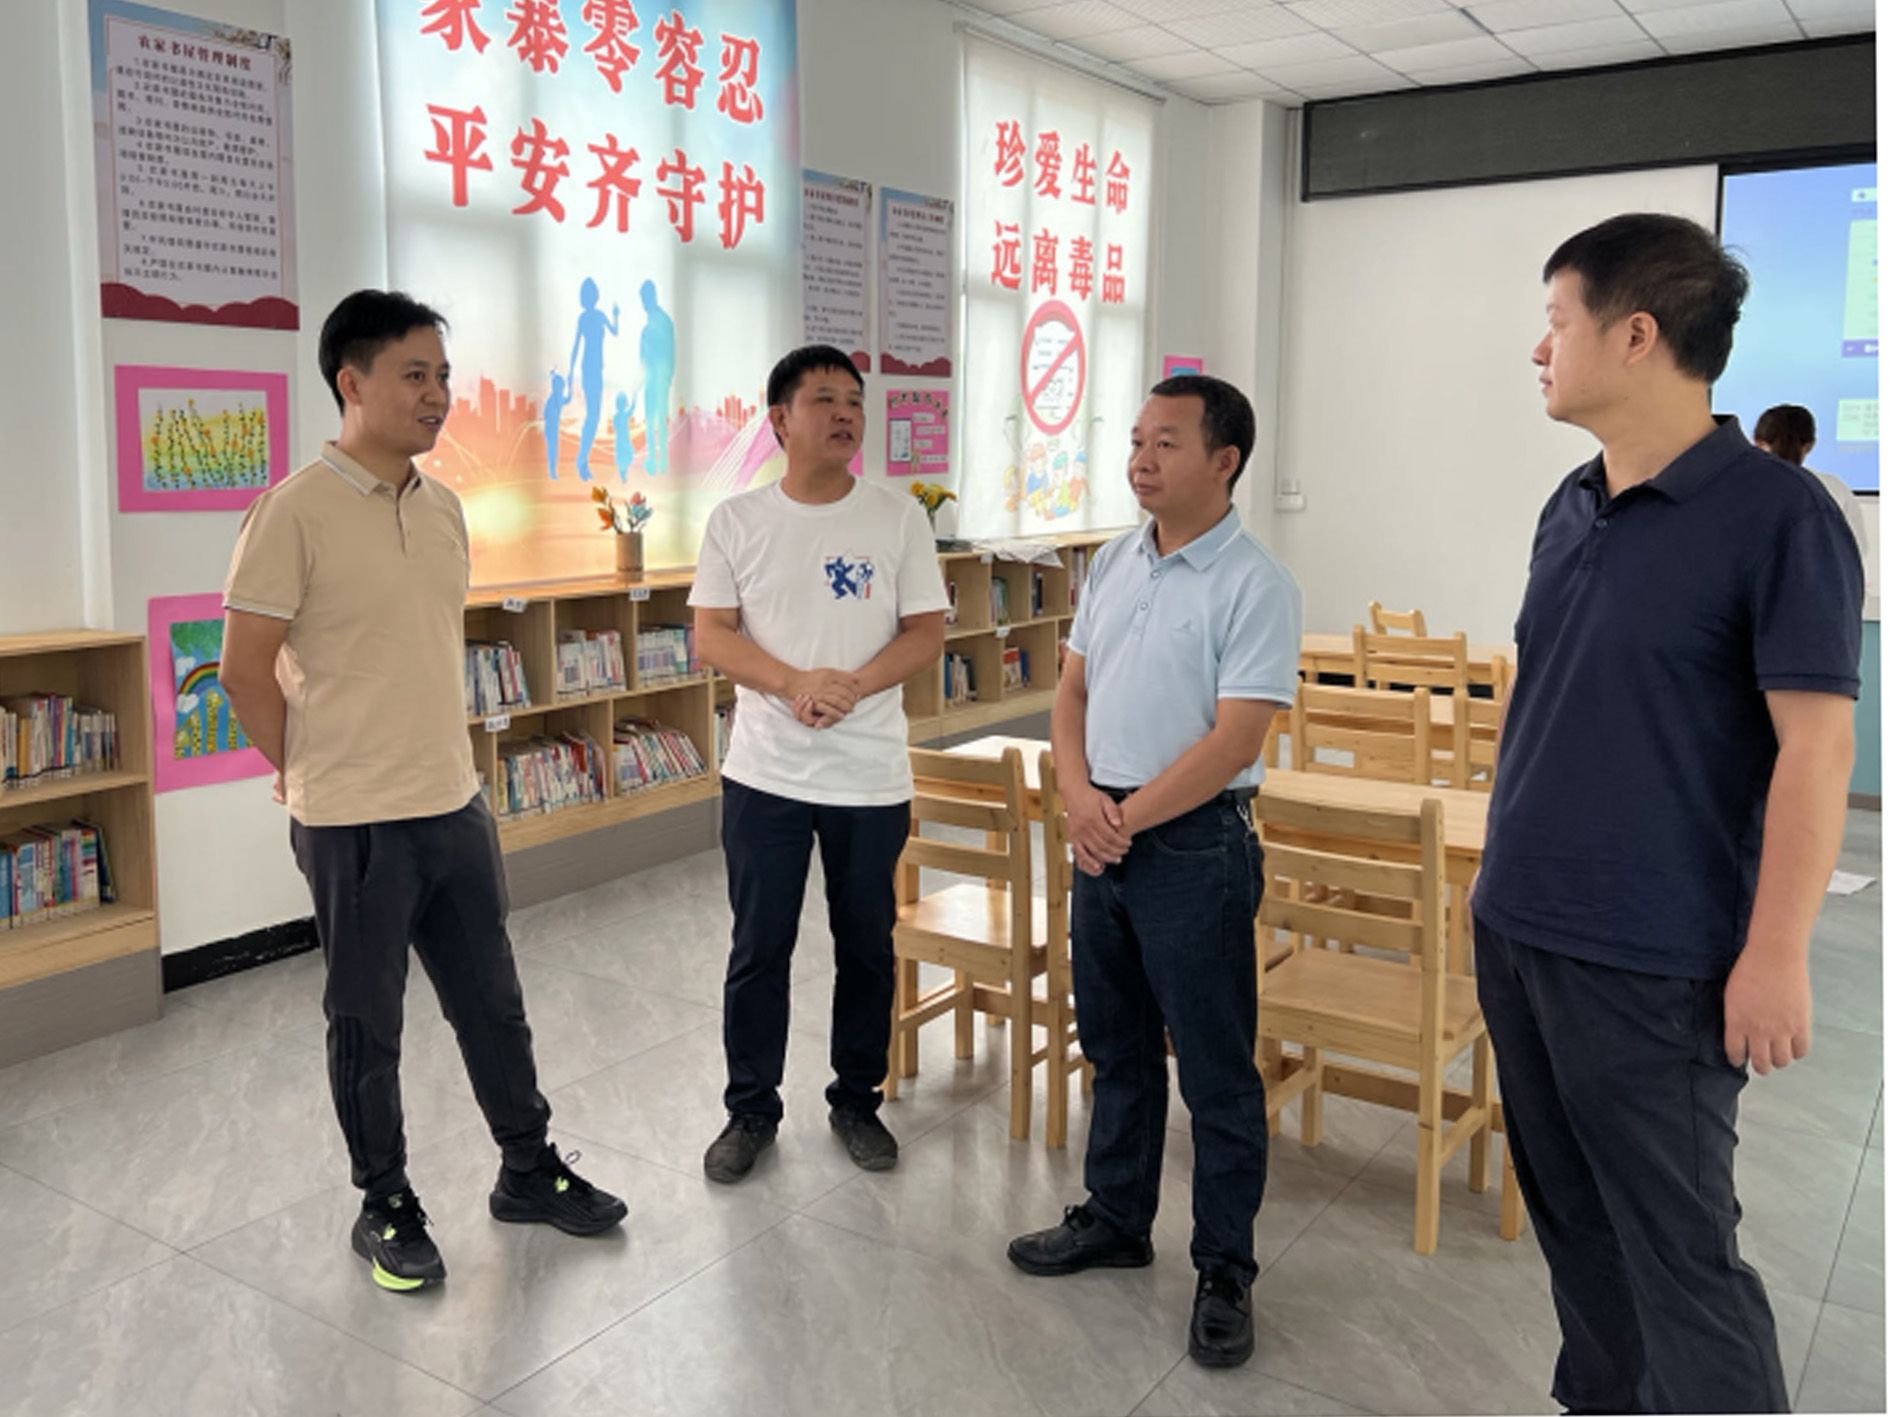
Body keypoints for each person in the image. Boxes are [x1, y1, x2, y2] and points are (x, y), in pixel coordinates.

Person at [1475, 215, 1862, 1413]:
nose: (1539, 348)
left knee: (1681, 1254)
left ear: (1636, 335)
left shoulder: (1780, 517)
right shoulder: (1570, 503)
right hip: (1520, 931)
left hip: (1653, 957)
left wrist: (1777, 952)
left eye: (1557, 321)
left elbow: (1817, 747)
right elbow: (1543, 691)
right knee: (1577, 1230)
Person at [220, 290, 627, 1295]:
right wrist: (305, 770)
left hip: (454, 801)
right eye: (415, 375)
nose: (438, 395)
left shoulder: (444, 509)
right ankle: (385, 1202)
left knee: (493, 1003)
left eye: (443, 376)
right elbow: (242, 670)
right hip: (351, 821)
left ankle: (527, 1168)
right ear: (351, 383)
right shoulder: (291, 510)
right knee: (369, 1023)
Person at [1007, 374, 1302, 1370]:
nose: (1141, 459)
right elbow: (1072, 694)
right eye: (1136, 440)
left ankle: (1224, 1268)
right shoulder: (1113, 561)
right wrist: (1079, 797)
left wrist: (1120, 818)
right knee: (1117, 1045)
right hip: (1104, 833)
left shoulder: (1257, 584)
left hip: (1193, 846)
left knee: (1216, 1071)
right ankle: (1116, 1216)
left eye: (1166, 442)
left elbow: (1235, 742)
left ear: (1224, 460)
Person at [688, 344, 949, 1184]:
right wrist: (793, 682)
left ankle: (857, 1099)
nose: (845, 413)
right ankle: (750, 1109)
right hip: (764, 772)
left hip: (868, 775)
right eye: (825, 399)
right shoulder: (737, 520)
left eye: (854, 401)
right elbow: (713, 633)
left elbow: (926, 631)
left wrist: (852, 687)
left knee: (866, 945)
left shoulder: (897, 517)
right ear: (780, 419)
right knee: (758, 947)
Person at [1754, 402, 1870, 561]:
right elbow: (1855, 551)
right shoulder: (1833, 489)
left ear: (1757, 442)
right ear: (1810, 445)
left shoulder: (1740, 486)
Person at [566, 276, 620, 481]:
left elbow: (614, 331)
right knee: (592, 416)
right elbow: (576, 346)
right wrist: (570, 372)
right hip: (589, 369)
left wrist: (615, 316)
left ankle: (582, 459)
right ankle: (582, 460)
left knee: (593, 416)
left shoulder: (598, 316)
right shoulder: (585, 318)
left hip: (596, 369)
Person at [637, 280, 675, 475]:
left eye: (645, 298)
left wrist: (667, 376)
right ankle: (653, 460)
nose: (643, 303)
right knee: (651, 419)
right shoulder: (650, 322)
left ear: (652, 297)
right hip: (651, 375)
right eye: (642, 299)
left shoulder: (662, 320)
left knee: (659, 419)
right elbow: (643, 356)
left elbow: (669, 352)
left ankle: (662, 462)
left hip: (659, 373)